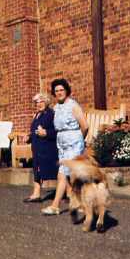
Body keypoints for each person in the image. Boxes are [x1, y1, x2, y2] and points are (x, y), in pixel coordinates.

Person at [41, 79, 88, 215]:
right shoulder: (56, 108)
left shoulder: (73, 106)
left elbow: (85, 126)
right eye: (56, 91)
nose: (59, 93)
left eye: (61, 90)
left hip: (73, 142)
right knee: (72, 176)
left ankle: (55, 205)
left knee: (62, 174)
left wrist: (79, 142)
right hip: (61, 144)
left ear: (66, 90)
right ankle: (81, 203)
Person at [23, 93, 58, 203]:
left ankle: (70, 192)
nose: (39, 104)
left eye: (41, 101)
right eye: (37, 102)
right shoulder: (36, 115)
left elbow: (57, 132)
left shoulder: (51, 114)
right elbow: (34, 131)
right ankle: (36, 194)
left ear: (46, 101)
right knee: (36, 169)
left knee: (56, 172)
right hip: (37, 148)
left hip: (48, 148)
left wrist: (46, 133)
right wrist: (28, 137)